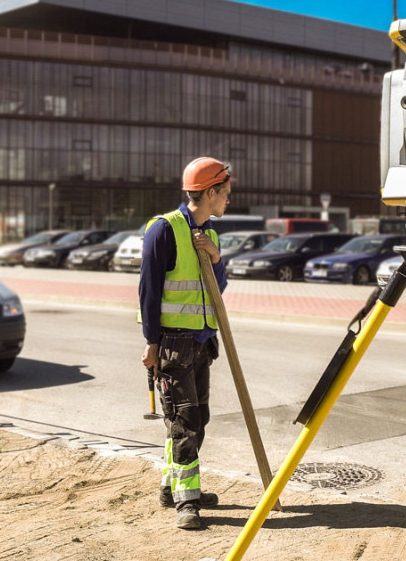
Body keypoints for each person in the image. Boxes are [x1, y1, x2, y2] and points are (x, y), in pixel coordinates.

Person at [139, 156, 231, 530]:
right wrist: (151, 343)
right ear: (209, 192)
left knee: (196, 418)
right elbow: (148, 290)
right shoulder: (164, 230)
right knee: (185, 422)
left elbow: (217, 288)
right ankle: (187, 502)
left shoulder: (210, 234)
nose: (228, 200)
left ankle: (171, 486)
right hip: (174, 344)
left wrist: (216, 257)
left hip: (202, 342)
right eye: (225, 193)